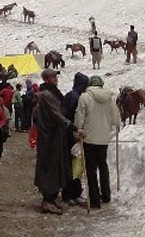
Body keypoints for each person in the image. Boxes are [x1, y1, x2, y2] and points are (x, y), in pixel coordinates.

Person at [32, 68, 78, 215]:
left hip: (55, 136)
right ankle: (48, 200)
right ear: (46, 79)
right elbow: (56, 115)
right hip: (49, 138)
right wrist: (73, 127)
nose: (55, 79)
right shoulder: (46, 95)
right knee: (50, 166)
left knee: (56, 166)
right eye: (52, 77)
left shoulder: (52, 93)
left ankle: (51, 197)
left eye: (55, 77)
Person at [75, 74, 121, 209]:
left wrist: (78, 131)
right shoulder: (109, 99)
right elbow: (116, 119)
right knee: (103, 165)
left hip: (89, 138)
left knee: (91, 169)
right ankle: (106, 195)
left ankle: (94, 200)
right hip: (103, 139)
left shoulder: (84, 97)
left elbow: (80, 117)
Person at [60, 72, 89, 205]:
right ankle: (73, 193)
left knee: (71, 165)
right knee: (75, 165)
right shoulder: (76, 97)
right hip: (71, 134)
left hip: (67, 133)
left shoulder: (69, 95)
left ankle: (69, 193)